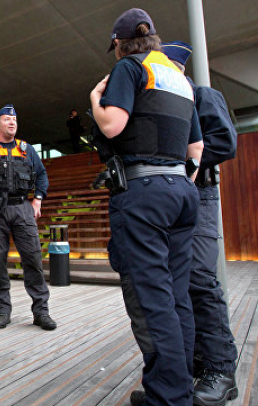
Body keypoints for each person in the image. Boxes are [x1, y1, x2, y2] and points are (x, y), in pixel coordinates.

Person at [89, 9, 204, 406]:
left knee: (151, 298)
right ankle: (178, 385)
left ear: (120, 44)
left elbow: (113, 125)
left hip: (143, 193)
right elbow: (197, 149)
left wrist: (94, 100)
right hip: (182, 192)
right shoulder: (180, 79)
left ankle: (168, 397)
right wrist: (175, 182)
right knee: (176, 297)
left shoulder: (129, 68)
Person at [163, 40, 239, 406]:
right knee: (176, 284)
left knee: (198, 280)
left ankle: (221, 371)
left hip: (199, 194)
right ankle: (188, 368)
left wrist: (184, 165)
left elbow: (225, 142)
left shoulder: (202, 95)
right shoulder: (163, 102)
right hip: (169, 199)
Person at [0, 104, 56, 331]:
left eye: (14, 119)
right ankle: (3, 311)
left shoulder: (27, 149)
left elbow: (42, 176)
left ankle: (41, 312)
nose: (11, 122)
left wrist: (38, 199)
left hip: (22, 208)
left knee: (33, 260)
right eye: (6, 119)